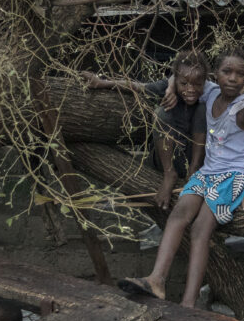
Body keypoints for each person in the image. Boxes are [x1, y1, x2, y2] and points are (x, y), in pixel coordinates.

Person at [118, 48, 244, 308]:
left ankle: (189, 301)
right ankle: (156, 280)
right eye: (226, 72)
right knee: (178, 215)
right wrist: (171, 87)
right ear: (215, 75)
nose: (232, 78)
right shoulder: (209, 92)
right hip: (206, 172)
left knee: (200, 229)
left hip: (233, 176)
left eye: (240, 74)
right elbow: (180, 75)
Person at [83, 50, 210, 210]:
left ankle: (194, 170)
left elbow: (240, 82)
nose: (190, 89)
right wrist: (102, 83)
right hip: (167, 157)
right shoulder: (166, 87)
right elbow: (138, 87)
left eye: (197, 84)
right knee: (161, 113)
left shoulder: (211, 92)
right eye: (184, 84)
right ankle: (169, 174)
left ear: (204, 82)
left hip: (194, 158)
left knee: (202, 111)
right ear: (175, 81)